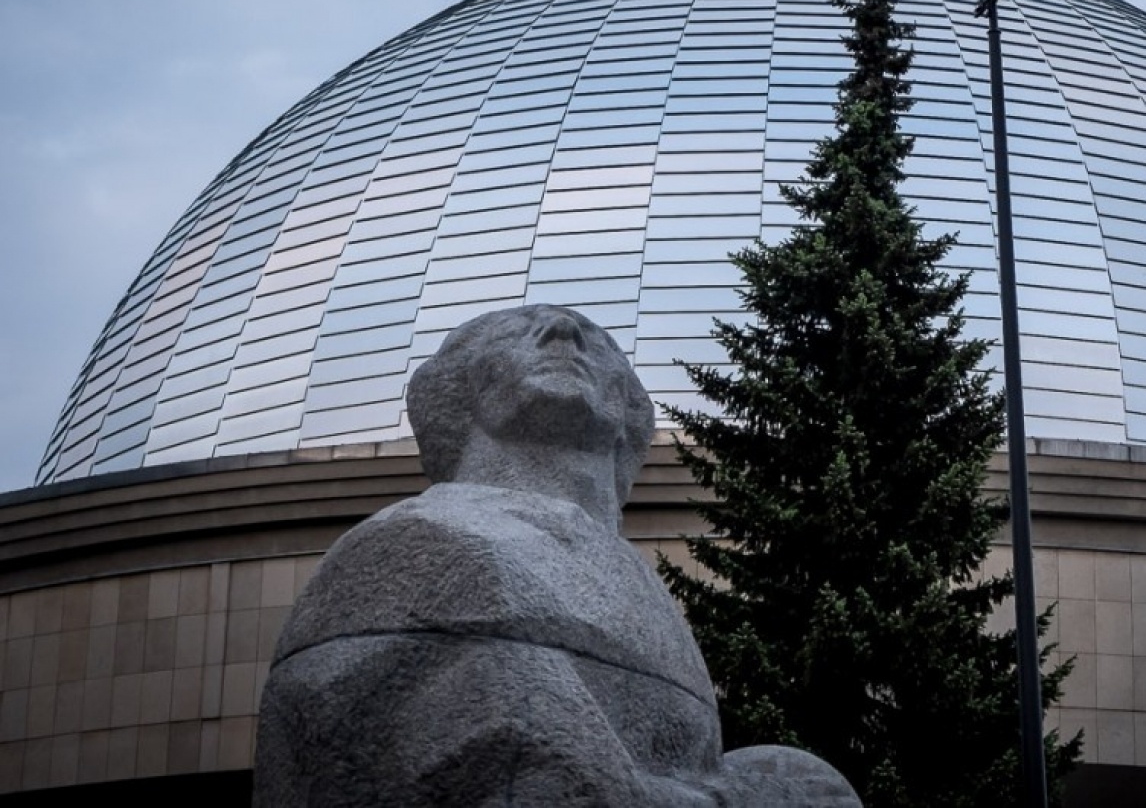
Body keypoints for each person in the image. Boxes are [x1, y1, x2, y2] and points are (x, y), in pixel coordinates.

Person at [254, 304, 859, 807]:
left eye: (597, 341)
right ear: (459, 393)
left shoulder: (643, 595)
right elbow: (514, 755)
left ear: (627, 408)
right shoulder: (418, 541)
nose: (564, 333)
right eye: (514, 333)